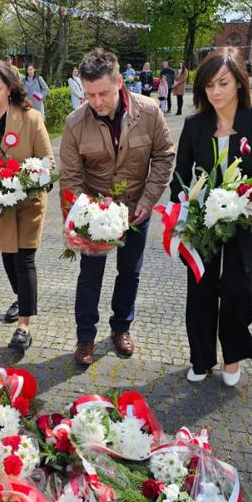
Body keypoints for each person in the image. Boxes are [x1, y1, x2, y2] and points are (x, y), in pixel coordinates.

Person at [172, 49, 252, 386]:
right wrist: (183, 207)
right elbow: (180, 175)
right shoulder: (194, 125)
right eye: (208, 86)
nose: (215, 92)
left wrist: (250, 202)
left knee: (237, 292)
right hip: (204, 225)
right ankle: (201, 358)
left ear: (239, 82)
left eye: (223, 83)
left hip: (245, 224)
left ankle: (232, 357)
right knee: (201, 291)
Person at [60, 48, 175, 365]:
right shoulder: (75, 123)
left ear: (120, 82)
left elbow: (164, 157)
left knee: (130, 272)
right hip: (95, 213)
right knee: (90, 276)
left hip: (136, 208)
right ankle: (85, 338)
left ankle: (121, 327)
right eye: (90, 94)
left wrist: (148, 200)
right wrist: (81, 218)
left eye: (103, 93)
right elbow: (70, 178)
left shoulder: (149, 112)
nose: (96, 101)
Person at [0, 58, 54, 352]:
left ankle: (23, 326)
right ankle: (22, 298)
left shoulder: (31, 118)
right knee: (8, 256)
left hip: (28, 202)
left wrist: (23, 180)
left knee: (24, 259)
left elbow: (48, 163)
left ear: (9, 87)